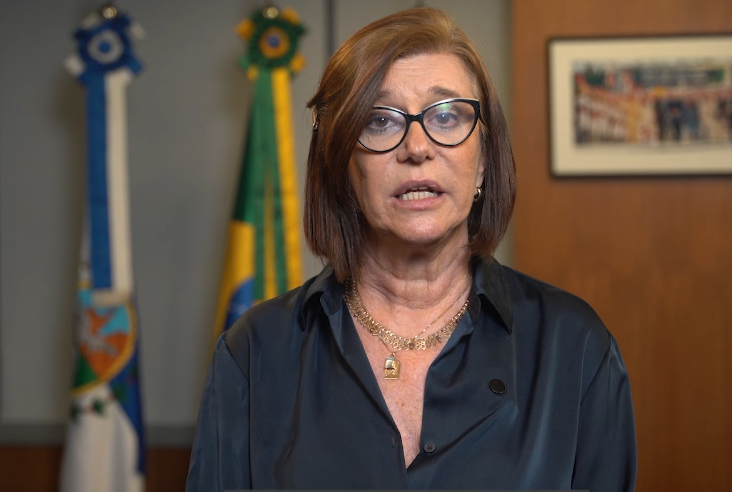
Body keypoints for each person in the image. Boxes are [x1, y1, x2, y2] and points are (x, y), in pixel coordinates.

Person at [186, 8, 636, 491]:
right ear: (341, 166)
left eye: (446, 116)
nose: (417, 147)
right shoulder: (254, 352)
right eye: (380, 120)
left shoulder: (575, 346)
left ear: (484, 161)